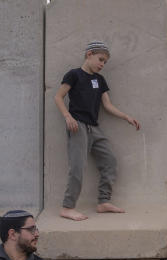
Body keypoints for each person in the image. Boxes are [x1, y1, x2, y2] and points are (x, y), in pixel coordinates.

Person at [54, 40, 141, 221]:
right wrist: (68, 117)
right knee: (78, 166)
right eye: (101, 59)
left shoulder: (99, 80)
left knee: (109, 161)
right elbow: (58, 97)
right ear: (89, 55)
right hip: (77, 125)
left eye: (105, 62)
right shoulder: (74, 75)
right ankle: (67, 207)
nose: (102, 64)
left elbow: (107, 105)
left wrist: (126, 117)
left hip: (94, 127)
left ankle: (103, 202)